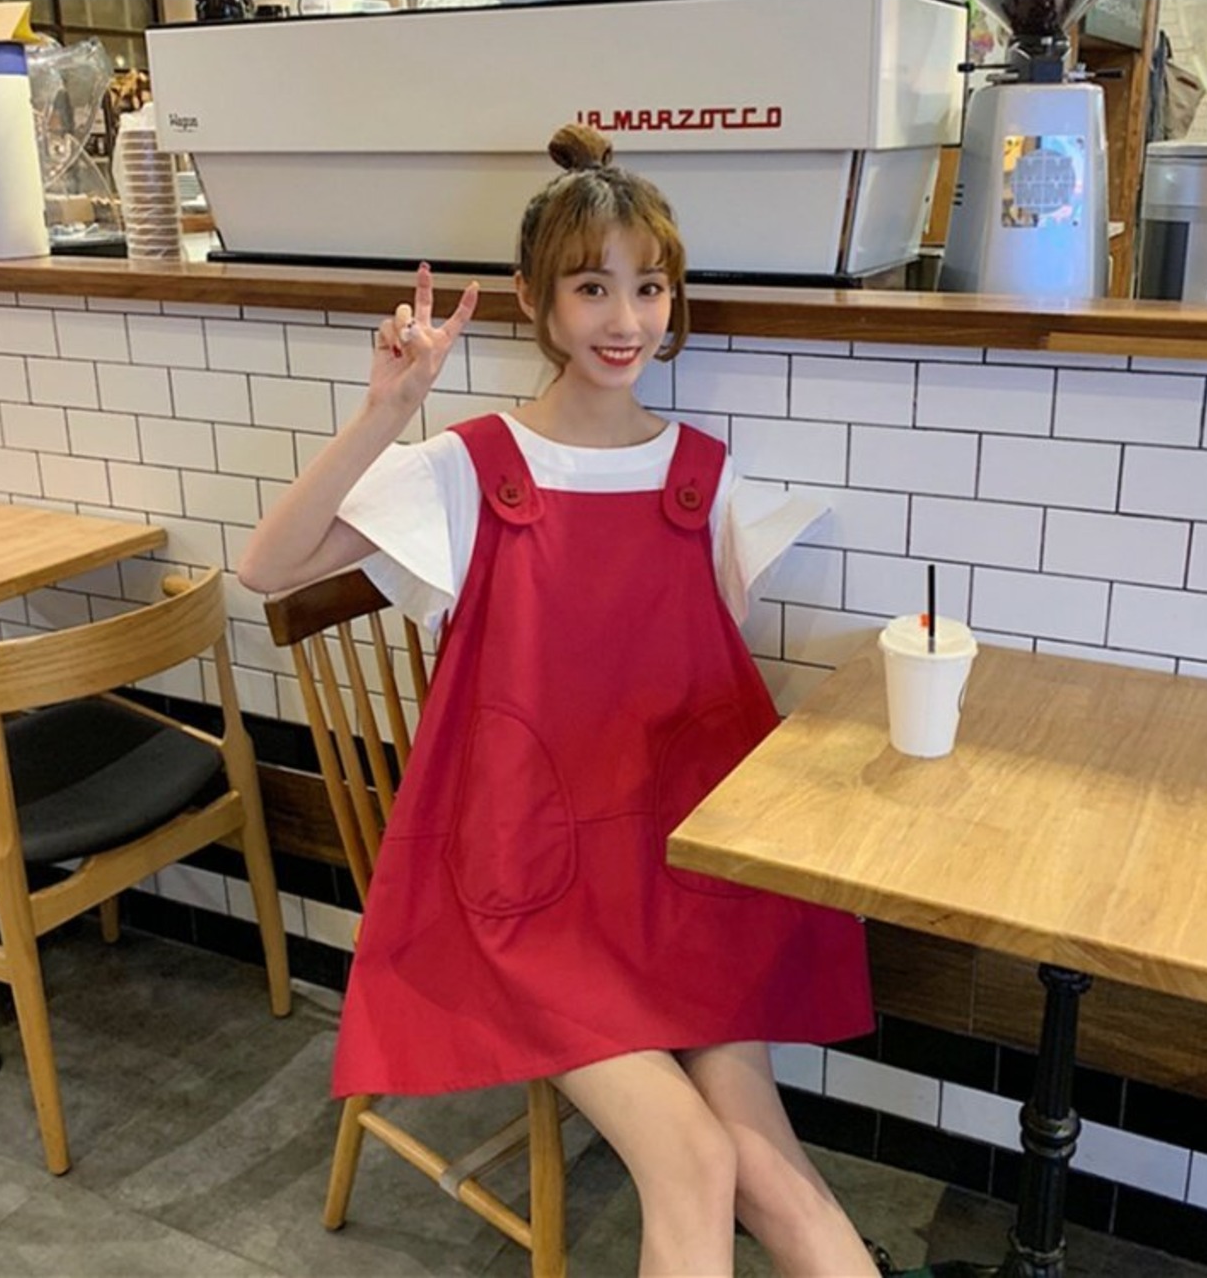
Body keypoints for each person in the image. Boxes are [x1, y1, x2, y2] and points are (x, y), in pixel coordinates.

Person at [240, 124, 892, 1277]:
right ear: (536, 301)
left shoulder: (703, 478)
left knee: (766, 1163)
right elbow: (268, 565)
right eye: (593, 287)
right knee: (692, 1157)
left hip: (675, 884)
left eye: (649, 286)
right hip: (523, 897)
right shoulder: (471, 466)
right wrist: (390, 407)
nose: (626, 318)